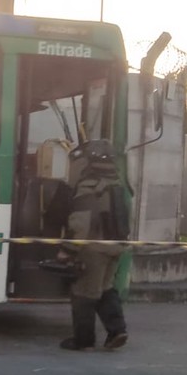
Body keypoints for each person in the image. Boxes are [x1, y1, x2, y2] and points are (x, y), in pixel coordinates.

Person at [58, 139, 130, 351]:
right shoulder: (116, 183)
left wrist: (67, 249)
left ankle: (83, 340)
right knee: (106, 290)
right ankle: (117, 330)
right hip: (116, 245)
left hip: (94, 248)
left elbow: (81, 222)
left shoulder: (88, 186)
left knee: (83, 293)